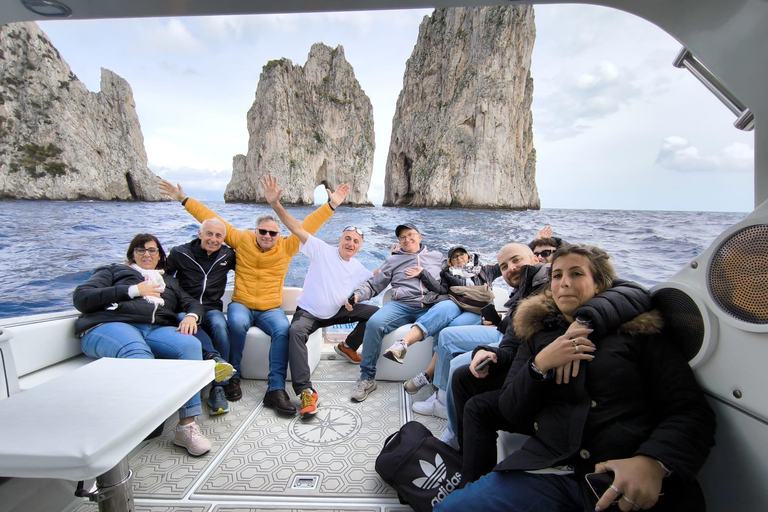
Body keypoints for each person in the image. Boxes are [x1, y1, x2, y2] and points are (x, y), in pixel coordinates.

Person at [435, 245, 716, 512]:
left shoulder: (638, 334)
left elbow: (690, 410)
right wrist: (540, 365)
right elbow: (510, 408)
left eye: (576, 274)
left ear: (599, 284)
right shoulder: (539, 333)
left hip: (621, 481)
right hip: (551, 469)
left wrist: (654, 461)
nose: (564, 282)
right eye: (557, 275)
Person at [159, 178, 349, 416]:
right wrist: (183, 199)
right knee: (236, 324)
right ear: (255, 231)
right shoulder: (242, 240)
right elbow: (212, 220)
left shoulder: (288, 246)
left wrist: (331, 205)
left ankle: (276, 389)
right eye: (263, 232)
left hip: (270, 308)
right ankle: (232, 377)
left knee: (283, 330)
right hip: (242, 304)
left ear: (279, 235)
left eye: (273, 233)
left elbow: (308, 225)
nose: (267, 236)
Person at [73, 233, 213, 456]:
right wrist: (134, 290)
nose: (146, 254)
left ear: (160, 257)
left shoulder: (169, 282)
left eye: (152, 250)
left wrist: (191, 317)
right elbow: (81, 297)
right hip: (111, 325)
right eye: (141, 250)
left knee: (190, 346)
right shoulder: (114, 271)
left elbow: (192, 303)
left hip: (155, 329)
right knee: (137, 353)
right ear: (132, 254)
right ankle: (143, 423)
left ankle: (186, 428)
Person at [261, 174, 378, 419]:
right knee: (295, 332)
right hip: (310, 313)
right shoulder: (321, 250)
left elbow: (376, 276)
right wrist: (275, 204)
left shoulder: (358, 267)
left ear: (359, 247)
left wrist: (397, 257)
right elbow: (296, 227)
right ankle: (305, 391)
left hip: (337, 312)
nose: (351, 243)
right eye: (348, 238)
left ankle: (348, 346)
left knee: (377, 315)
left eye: (356, 241)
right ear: (340, 240)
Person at [389, 246, 502, 418]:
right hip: (457, 303)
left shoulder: (485, 270)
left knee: (448, 333)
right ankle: (402, 344)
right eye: (454, 257)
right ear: (450, 262)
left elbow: (509, 266)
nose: (458, 258)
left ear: (468, 256)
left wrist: (536, 248)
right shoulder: (448, 274)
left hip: (477, 311)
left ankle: (429, 377)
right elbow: (440, 290)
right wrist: (421, 272)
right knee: (442, 310)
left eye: (461, 255)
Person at [346, 223, 443, 402]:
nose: (407, 239)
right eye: (402, 237)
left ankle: (437, 381)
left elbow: (453, 277)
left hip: (430, 305)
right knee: (374, 323)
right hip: (401, 305)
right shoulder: (393, 260)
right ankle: (367, 378)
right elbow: (374, 283)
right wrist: (358, 295)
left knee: (443, 330)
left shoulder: (437, 257)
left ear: (420, 237)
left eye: (410, 235)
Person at [166, 218, 237, 415]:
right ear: (200, 234)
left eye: (218, 236)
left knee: (220, 326)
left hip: (211, 308)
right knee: (188, 324)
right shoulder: (180, 253)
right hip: (185, 308)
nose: (213, 239)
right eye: (209, 234)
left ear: (223, 239)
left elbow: (252, 269)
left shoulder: (227, 255)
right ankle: (215, 361)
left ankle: (220, 385)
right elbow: (164, 276)